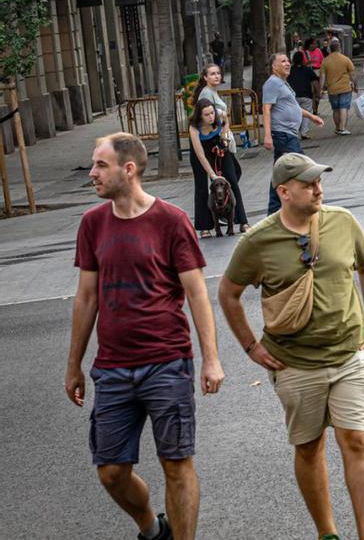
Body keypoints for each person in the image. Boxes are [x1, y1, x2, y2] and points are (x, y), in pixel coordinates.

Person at [218, 153, 364, 540]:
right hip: (294, 363)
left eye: (318, 181)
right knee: (310, 448)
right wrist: (250, 347)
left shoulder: (342, 222)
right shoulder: (257, 241)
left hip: (349, 355)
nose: (318, 189)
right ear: (284, 192)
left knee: (356, 440)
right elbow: (227, 294)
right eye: (308, 184)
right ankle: (327, 533)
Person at [68, 133, 225, 540]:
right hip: (113, 368)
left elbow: (196, 292)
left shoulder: (171, 220)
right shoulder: (92, 224)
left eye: (101, 165)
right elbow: (86, 299)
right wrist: (74, 365)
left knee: (177, 463)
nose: (92, 173)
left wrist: (210, 357)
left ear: (129, 169)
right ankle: (152, 528)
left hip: (167, 362)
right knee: (111, 471)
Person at [263, 52, 324, 216]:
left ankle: (275, 211)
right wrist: (267, 135)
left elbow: (293, 107)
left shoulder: (283, 83)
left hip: (288, 134)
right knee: (303, 167)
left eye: (288, 61)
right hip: (282, 134)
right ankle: (303, 203)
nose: (287, 63)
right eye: (283, 61)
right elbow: (266, 109)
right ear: (274, 66)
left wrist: (312, 116)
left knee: (281, 172)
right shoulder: (272, 83)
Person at [188, 99, 248, 235]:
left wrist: (225, 133)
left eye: (212, 113)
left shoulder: (218, 114)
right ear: (199, 116)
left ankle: (242, 221)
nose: (211, 117)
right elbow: (200, 155)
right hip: (201, 152)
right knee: (202, 186)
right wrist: (212, 174)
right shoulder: (194, 127)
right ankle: (205, 226)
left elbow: (226, 120)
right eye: (206, 115)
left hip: (217, 145)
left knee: (231, 179)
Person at [321, 38, 357, 136]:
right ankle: (342, 128)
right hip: (345, 88)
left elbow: (322, 77)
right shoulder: (345, 59)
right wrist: (356, 85)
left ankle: (337, 128)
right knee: (343, 107)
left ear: (330, 49)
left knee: (335, 109)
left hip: (332, 89)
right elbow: (353, 74)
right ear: (339, 48)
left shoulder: (325, 61)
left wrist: (321, 89)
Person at [287, 47, 322, 139]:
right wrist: (318, 93)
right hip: (306, 95)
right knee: (307, 114)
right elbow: (315, 82)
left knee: (294, 114)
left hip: (293, 96)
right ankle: (304, 132)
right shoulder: (307, 70)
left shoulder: (289, 71)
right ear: (303, 60)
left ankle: (294, 132)